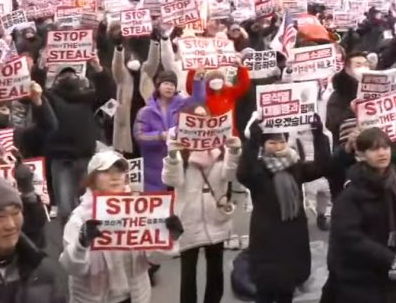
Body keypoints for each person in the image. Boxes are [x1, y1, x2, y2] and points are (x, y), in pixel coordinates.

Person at [59, 150, 184, 303]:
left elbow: (152, 258)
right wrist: (82, 244)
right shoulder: (80, 218)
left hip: (135, 297)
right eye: (106, 171)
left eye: (119, 170)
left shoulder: (140, 212)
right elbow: (71, 268)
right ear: (92, 179)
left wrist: (169, 237)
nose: (115, 176)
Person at [237, 114, 330, 303]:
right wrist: (252, 140)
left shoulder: (296, 167)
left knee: (287, 291)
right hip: (266, 238)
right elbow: (243, 173)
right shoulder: (258, 170)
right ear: (264, 145)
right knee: (264, 292)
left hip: (293, 236)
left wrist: (318, 135)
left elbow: (322, 166)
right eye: (272, 142)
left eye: (281, 142)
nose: (278, 146)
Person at [323, 128, 396, 303]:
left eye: (385, 147)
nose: (382, 153)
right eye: (374, 149)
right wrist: (389, 259)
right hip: (360, 283)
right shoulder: (351, 193)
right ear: (361, 154)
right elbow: (349, 237)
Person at [162, 103, 241, 303]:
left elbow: (229, 175)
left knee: (216, 270)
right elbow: (172, 181)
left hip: (216, 215)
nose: (201, 123)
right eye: (195, 119)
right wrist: (172, 157)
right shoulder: (180, 149)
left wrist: (234, 151)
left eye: (204, 118)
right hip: (189, 217)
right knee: (188, 272)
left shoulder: (220, 148)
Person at [45, 59, 114, 225]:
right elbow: (35, 92)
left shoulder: (88, 97)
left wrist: (98, 68)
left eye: (72, 74)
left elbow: (107, 92)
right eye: (63, 75)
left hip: (87, 159)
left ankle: (87, 244)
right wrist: (40, 68)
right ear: (56, 80)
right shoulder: (51, 99)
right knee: (66, 209)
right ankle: (69, 245)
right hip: (63, 161)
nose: (69, 77)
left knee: (90, 206)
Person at [135, 72, 204, 192]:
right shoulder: (145, 112)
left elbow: (199, 101)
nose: (169, 87)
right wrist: (160, 136)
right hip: (154, 166)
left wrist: (197, 81)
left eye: (172, 84)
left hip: (179, 163)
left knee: (178, 202)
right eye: (166, 83)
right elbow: (139, 136)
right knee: (159, 205)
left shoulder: (183, 106)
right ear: (158, 86)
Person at [325, 52, 369, 200]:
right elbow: (333, 123)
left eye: (366, 65)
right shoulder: (338, 95)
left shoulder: (376, 91)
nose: (363, 68)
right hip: (346, 155)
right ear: (348, 69)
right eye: (358, 65)